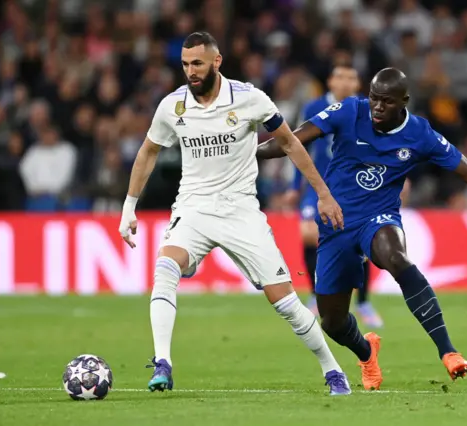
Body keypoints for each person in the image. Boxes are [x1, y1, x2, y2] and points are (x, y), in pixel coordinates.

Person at [256, 67, 467, 391]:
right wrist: (248, 154)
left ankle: (448, 351)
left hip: (377, 218)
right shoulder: (350, 110)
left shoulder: (420, 134)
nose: (377, 107)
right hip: (335, 225)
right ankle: (367, 352)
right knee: (333, 323)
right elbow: (291, 140)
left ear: (404, 102)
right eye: (374, 99)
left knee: (396, 257)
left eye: (387, 102)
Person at [118, 32, 352, 396]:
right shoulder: (172, 106)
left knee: (286, 302)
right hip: (193, 208)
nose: (190, 71)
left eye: (197, 63)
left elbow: (290, 142)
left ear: (217, 61)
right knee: (165, 267)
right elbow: (148, 151)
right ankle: (162, 362)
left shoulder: (249, 99)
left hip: (241, 211)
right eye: (184, 64)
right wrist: (128, 207)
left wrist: (323, 193)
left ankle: (332, 369)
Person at [284, 64, 384, 328]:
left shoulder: (365, 109)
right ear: (330, 81)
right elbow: (299, 146)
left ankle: (363, 302)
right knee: (307, 234)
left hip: (352, 187)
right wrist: (296, 186)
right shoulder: (314, 107)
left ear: (357, 83)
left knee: (362, 242)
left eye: (351, 77)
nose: (344, 82)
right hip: (317, 185)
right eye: (339, 76)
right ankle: (317, 294)